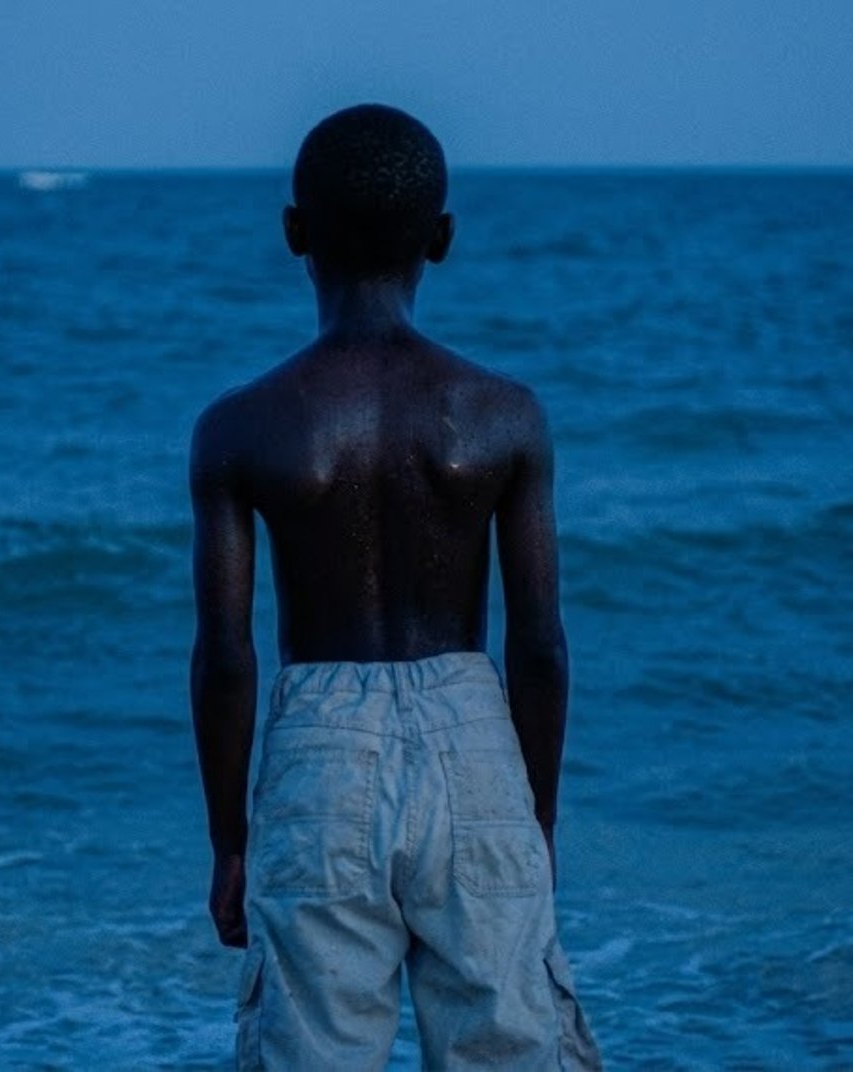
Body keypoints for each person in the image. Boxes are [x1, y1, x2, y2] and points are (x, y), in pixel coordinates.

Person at [189, 103, 603, 1071]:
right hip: (473, 737)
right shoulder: (504, 416)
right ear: (443, 240)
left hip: (318, 746)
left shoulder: (240, 426)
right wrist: (532, 823)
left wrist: (230, 841)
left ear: (295, 233)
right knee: (509, 1045)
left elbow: (224, 656)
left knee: (310, 1050)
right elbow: (539, 644)